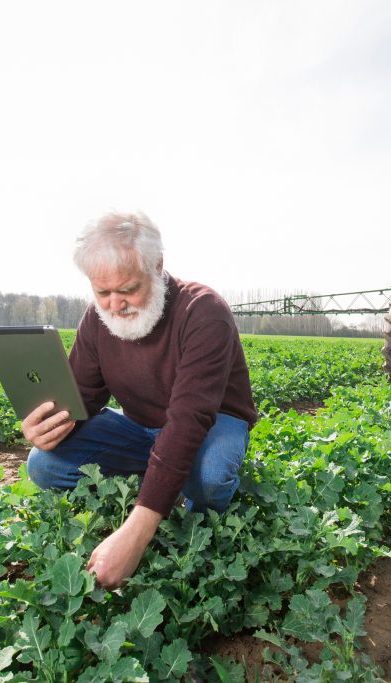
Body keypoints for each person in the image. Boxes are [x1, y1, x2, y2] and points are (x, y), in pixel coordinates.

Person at [22, 210, 257, 589]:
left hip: (212, 423)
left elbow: (188, 420)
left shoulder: (203, 312)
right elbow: (83, 395)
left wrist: (136, 532)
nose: (115, 304)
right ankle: (164, 479)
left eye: (128, 289)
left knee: (209, 477)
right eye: (102, 292)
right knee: (44, 465)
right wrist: (49, 423)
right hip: (139, 426)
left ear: (158, 265)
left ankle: (185, 493)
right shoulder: (97, 319)